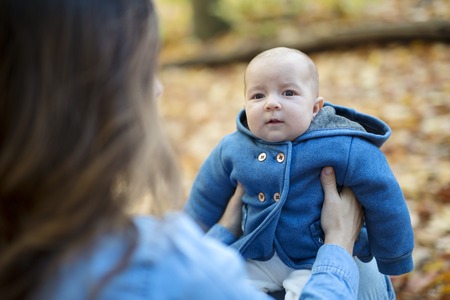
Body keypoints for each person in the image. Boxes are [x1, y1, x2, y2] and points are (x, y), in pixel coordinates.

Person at [0, 1, 375, 299]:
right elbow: (180, 275)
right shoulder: (150, 267)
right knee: (365, 273)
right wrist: (339, 246)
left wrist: (224, 232)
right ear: (91, 98)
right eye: (142, 70)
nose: (157, 89)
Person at [185, 47, 414, 299]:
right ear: (245, 105)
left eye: (288, 93)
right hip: (256, 252)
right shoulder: (233, 148)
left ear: (315, 108)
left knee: (306, 290)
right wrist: (188, 238)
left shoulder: (341, 145)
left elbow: (383, 192)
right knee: (225, 284)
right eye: (258, 95)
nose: (272, 103)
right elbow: (206, 196)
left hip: (314, 255)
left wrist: (394, 255)